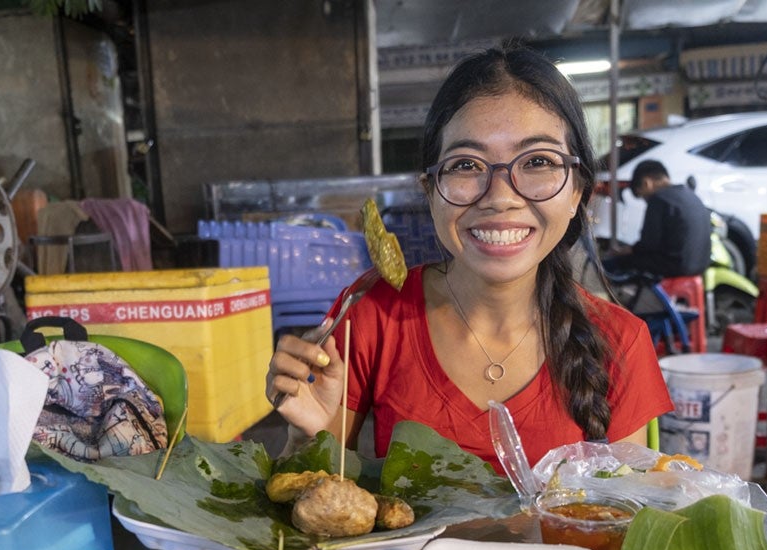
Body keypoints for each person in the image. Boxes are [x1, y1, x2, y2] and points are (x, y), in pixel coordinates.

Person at [265, 42, 674, 471]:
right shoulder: (371, 315)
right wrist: (306, 438)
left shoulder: (620, 341)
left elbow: (623, 519)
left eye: (537, 161)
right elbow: (317, 510)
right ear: (430, 191)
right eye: (466, 165)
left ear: (576, 192)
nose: (500, 198)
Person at [601, 159, 713, 279]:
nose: (646, 200)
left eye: (643, 196)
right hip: (701, 265)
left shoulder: (659, 199)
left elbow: (648, 243)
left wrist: (623, 251)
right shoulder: (690, 194)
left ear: (646, 183)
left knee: (611, 264)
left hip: (677, 266)